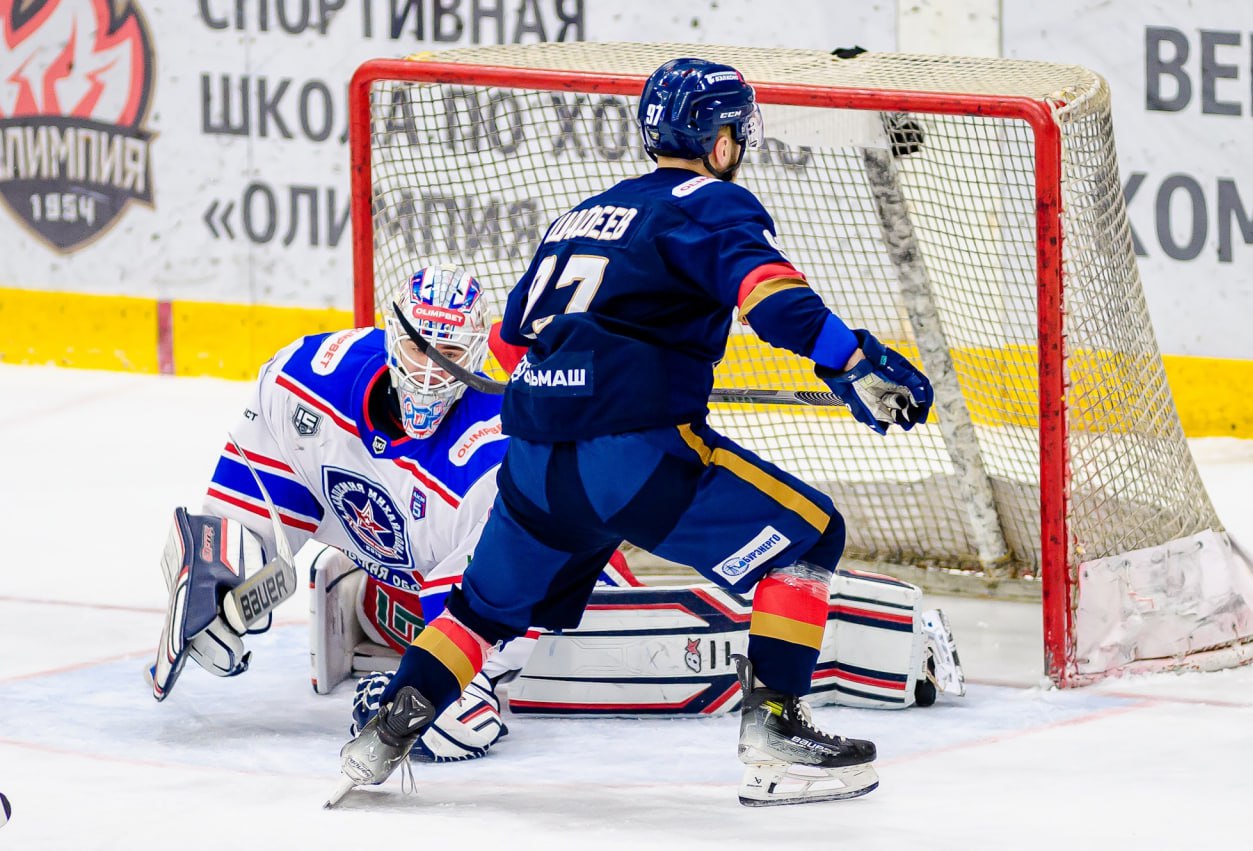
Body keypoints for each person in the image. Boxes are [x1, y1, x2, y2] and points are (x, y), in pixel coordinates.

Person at [334, 57, 933, 808]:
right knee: (813, 534)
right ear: (720, 140)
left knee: (480, 613)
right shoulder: (712, 204)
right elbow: (772, 300)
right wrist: (851, 361)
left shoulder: (578, 216)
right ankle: (776, 730)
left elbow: (509, 349)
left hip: (533, 466)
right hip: (629, 454)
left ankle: (383, 735)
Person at [148, 264, 532, 761]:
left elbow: (481, 626)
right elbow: (241, 510)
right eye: (419, 346)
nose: (430, 369)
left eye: (451, 352)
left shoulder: (495, 455)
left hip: (530, 610)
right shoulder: (308, 379)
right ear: (393, 337)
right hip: (389, 586)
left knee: (449, 720)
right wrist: (216, 576)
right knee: (223, 550)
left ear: (476, 354)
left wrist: (433, 691)